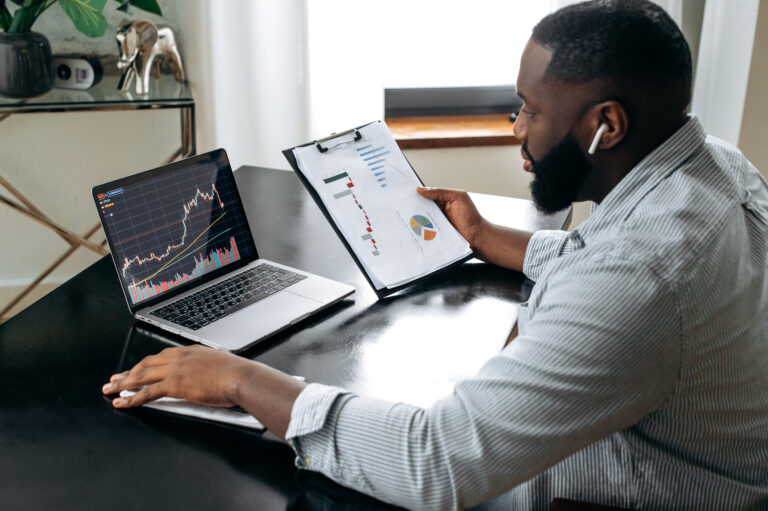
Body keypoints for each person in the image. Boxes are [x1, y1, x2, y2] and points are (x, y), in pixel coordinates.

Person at [102, 1, 768, 509]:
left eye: (530, 110)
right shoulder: (712, 169)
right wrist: (489, 238)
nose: (518, 129)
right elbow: (613, 252)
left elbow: (435, 463)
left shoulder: (642, 277)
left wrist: (239, 379)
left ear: (606, 125)